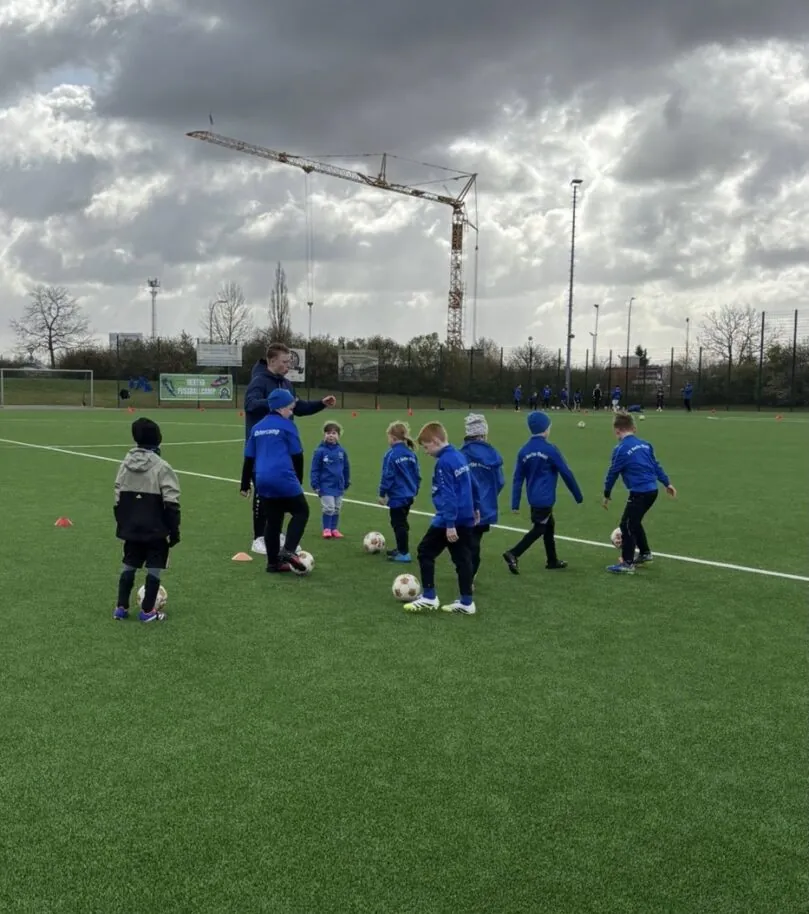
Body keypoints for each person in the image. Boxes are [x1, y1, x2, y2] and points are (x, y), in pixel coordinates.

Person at [243, 342, 336, 555]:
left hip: (283, 447)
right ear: (272, 361)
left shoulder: (286, 383)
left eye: (289, 362)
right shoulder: (258, 381)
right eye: (285, 362)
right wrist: (275, 403)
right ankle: (259, 537)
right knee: (263, 492)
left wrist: (321, 403)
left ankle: (275, 533)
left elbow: (298, 407)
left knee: (282, 490)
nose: (288, 366)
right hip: (263, 448)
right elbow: (250, 404)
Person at [402, 422, 478, 615]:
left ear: (435, 441)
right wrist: (476, 507)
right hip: (466, 516)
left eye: (426, 446)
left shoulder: (444, 463)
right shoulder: (459, 455)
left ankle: (429, 597)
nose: (426, 452)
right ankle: (467, 602)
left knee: (425, 551)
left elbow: (448, 495)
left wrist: (450, 524)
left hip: (448, 519)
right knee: (462, 559)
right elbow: (473, 483)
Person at [113, 418, 181, 623]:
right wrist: (174, 531)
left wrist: (124, 523)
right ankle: (148, 611)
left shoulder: (124, 465)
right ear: (158, 439)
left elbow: (117, 498)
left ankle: (121, 608)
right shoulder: (162, 467)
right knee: (154, 567)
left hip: (131, 527)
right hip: (155, 529)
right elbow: (171, 502)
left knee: (129, 564)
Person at [503, 411, 583, 574]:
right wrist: (577, 495)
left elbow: (518, 478)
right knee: (540, 528)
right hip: (545, 498)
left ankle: (552, 560)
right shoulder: (550, 449)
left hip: (533, 497)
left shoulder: (524, 451)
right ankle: (514, 553)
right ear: (546, 429)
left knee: (549, 526)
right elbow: (566, 472)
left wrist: (515, 503)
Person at [240, 388, 309, 574]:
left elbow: (249, 458)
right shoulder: (288, 426)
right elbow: (297, 456)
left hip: (262, 480)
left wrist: (245, 484)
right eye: (290, 408)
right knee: (301, 511)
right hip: (283, 477)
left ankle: (273, 564)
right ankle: (288, 550)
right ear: (280, 408)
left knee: (273, 521)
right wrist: (298, 480)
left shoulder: (257, 428)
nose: (292, 412)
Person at [602, 412, 677, 574]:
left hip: (639, 493)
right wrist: (667, 483)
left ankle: (627, 563)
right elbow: (656, 466)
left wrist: (607, 493)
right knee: (634, 522)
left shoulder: (620, 449)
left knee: (627, 525)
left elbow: (613, 472)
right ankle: (645, 554)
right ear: (634, 429)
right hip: (652, 491)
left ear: (616, 431)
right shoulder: (645, 445)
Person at [460, 413, 505, 585]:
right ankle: (470, 575)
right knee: (475, 542)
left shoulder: (461, 454)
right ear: (484, 433)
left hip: (464, 507)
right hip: (485, 508)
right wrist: (489, 496)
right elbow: (500, 481)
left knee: (463, 543)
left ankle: (466, 575)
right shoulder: (493, 455)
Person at [378, 421, 421, 563]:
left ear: (393, 437)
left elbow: (387, 476)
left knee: (398, 524)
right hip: (409, 495)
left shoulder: (391, 454)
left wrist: (382, 493)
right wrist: (415, 490)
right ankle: (401, 548)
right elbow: (417, 475)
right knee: (402, 522)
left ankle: (404, 553)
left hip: (397, 496)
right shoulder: (411, 454)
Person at [310, 421, 351, 539]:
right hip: (325, 485)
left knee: (337, 508)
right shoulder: (320, 451)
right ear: (324, 435)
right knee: (329, 507)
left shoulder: (341, 451)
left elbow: (346, 468)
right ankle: (326, 529)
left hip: (338, 485)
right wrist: (315, 484)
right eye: (328, 433)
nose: (330, 436)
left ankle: (334, 529)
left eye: (333, 433)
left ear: (338, 435)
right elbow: (315, 469)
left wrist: (346, 481)